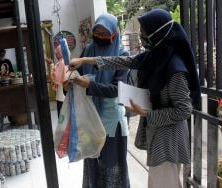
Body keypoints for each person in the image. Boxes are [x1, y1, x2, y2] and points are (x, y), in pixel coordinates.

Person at [68, 9, 201, 188]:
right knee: (157, 182)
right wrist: (85, 60)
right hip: (159, 135)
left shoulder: (174, 69)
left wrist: (147, 114)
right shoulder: (156, 57)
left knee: (164, 183)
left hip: (170, 140)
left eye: (144, 32)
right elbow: (123, 61)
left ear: (157, 34)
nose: (141, 36)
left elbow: (184, 110)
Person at [67, 14, 131, 187]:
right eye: (97, 33)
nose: (101, 37)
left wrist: (88, 85)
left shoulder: (122, 55)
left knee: (111, 163)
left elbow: (117, 90)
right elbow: (76, 77)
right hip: (90, 118)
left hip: (111, 122)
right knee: (93, 162)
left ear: (115, 33)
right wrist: (69, 82)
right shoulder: (88, 51)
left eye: (105, 33)